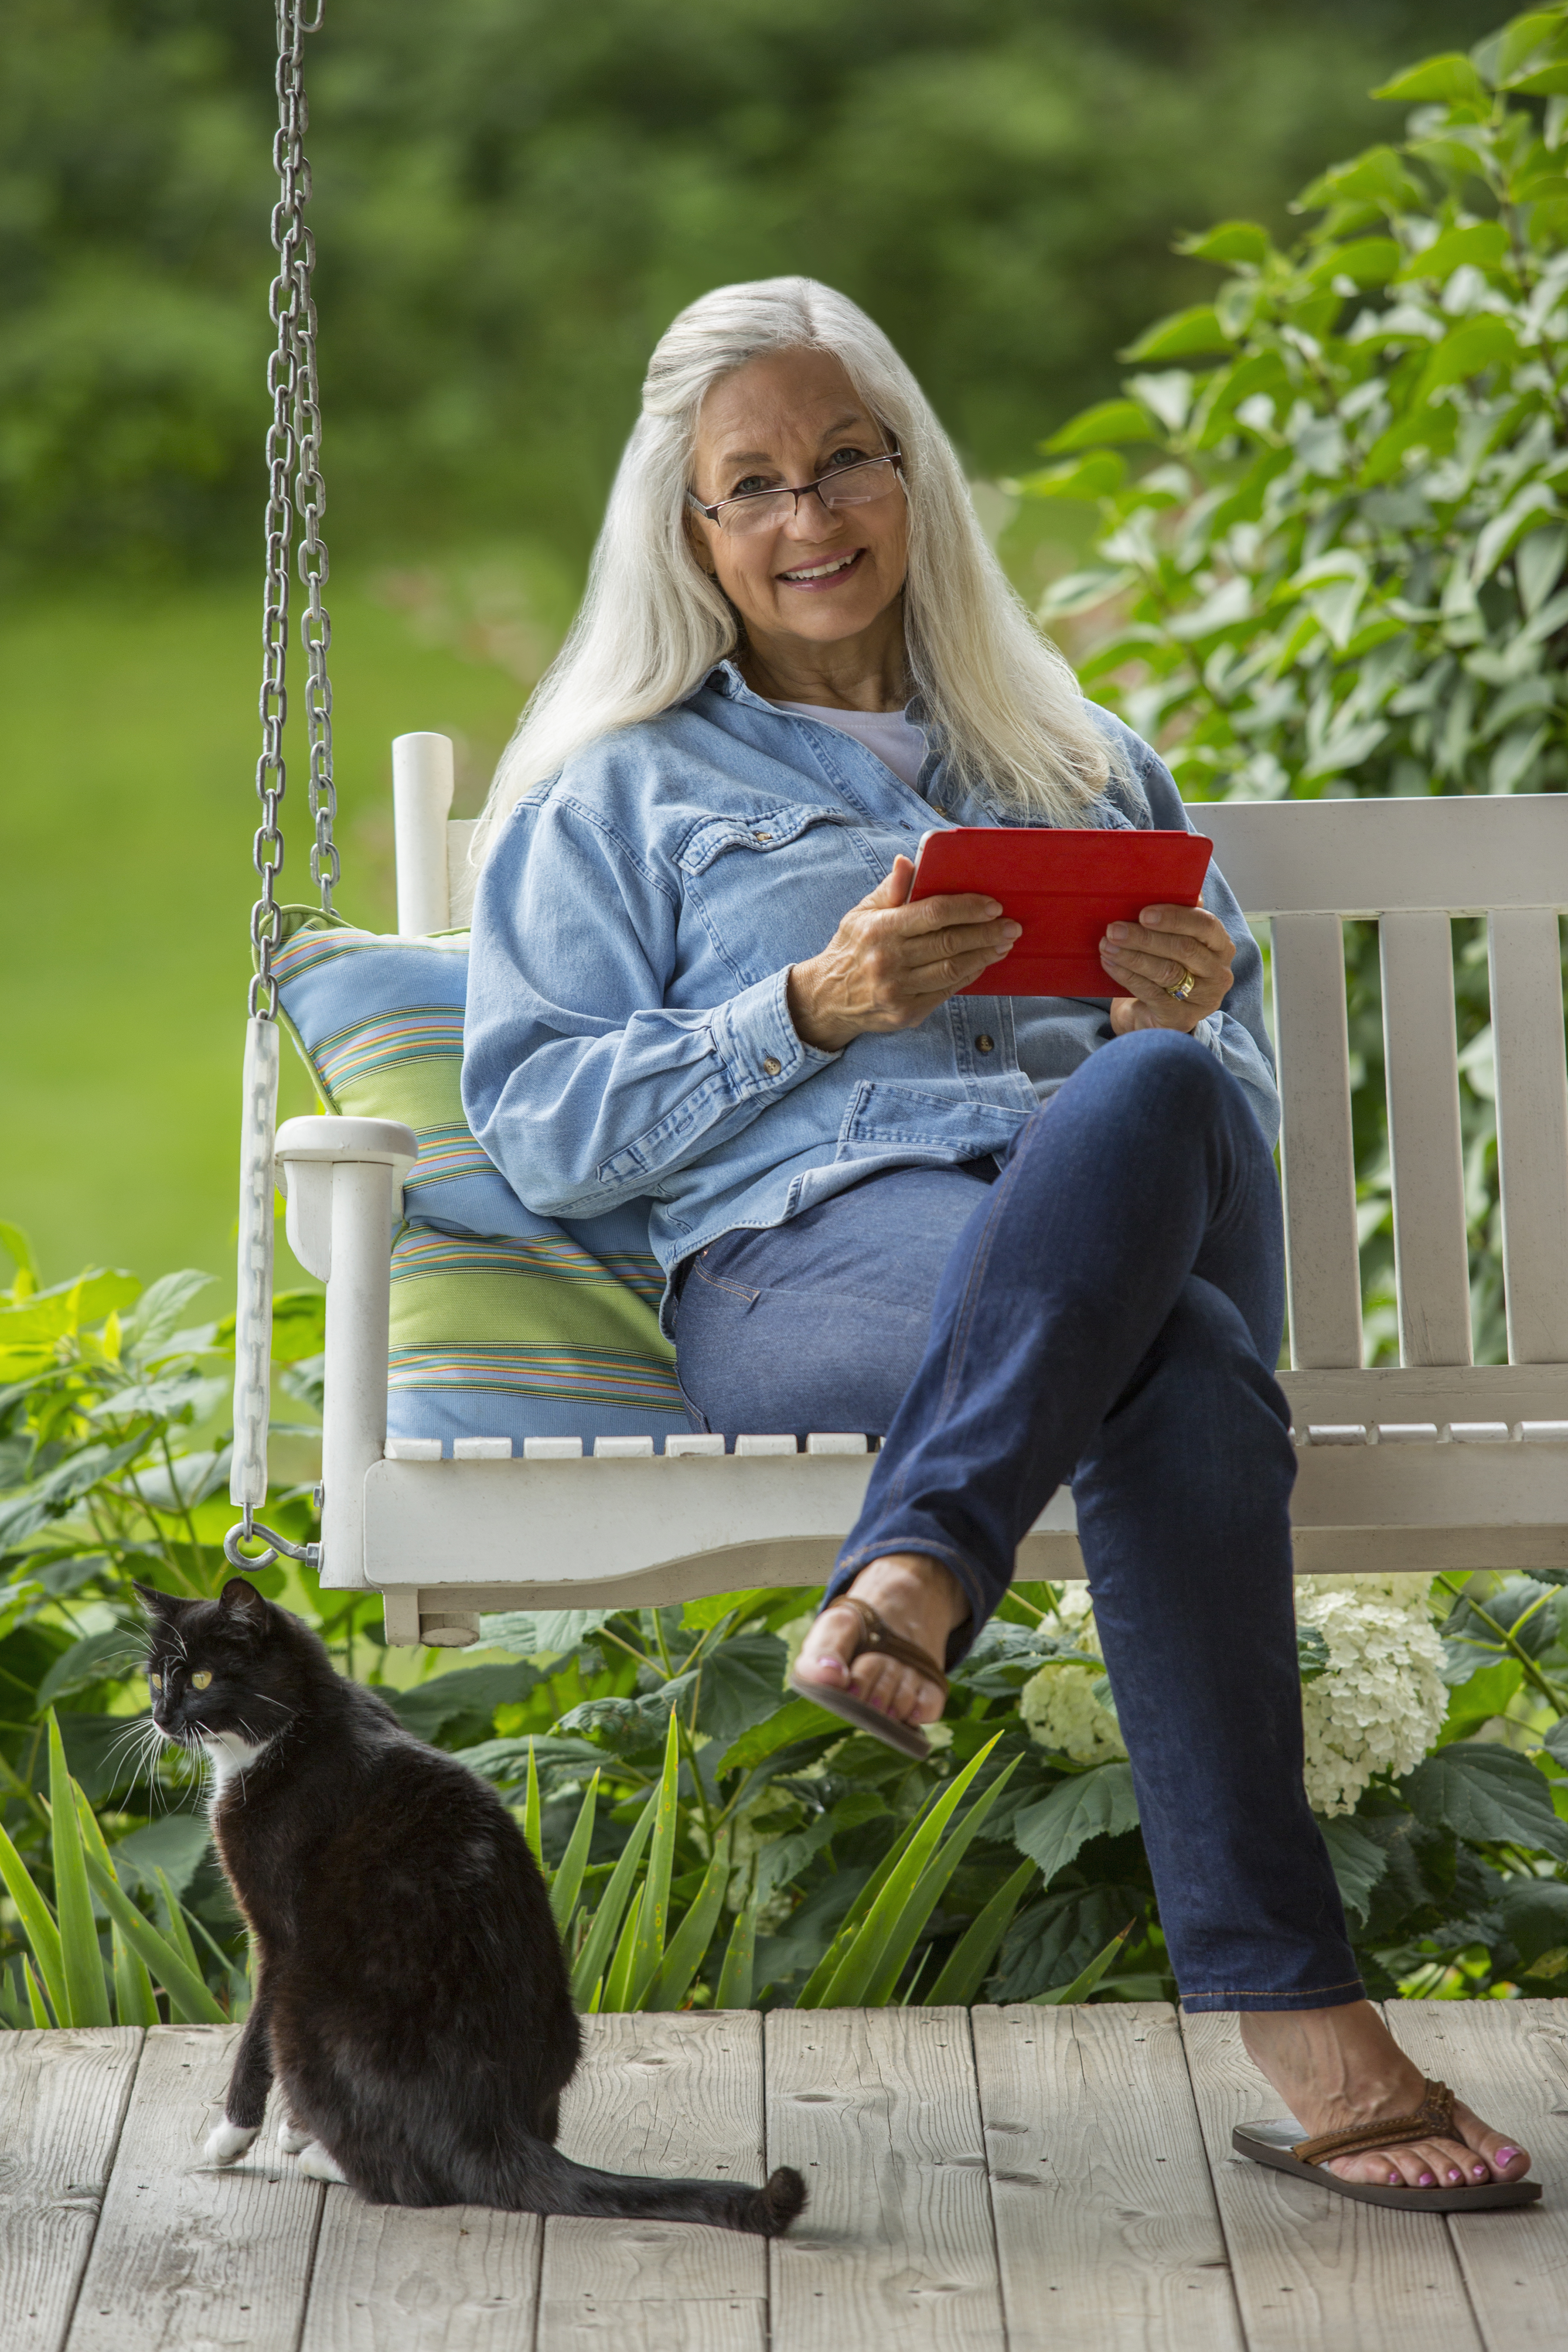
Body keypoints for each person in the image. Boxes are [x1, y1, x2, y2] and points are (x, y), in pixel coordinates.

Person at [462, 276, 1532, 2207]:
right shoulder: (613, 787)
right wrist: (803, 1006)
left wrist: (1177, 1017)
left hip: (1080, 1233)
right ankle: (1307, 2024)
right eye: (753, 483)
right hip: (803, 1269)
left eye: (847, 460)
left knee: (1149, 1108)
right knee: (1181, 1366)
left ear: (914, 479)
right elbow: (539, 1122)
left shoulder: (1077, 759)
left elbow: (1223, 1150)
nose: (811, 519)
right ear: (687, 530)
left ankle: (906, 1577)